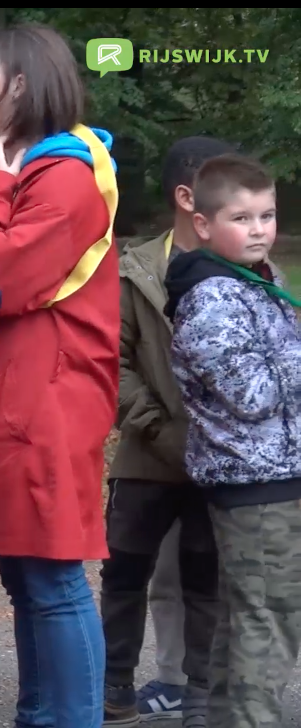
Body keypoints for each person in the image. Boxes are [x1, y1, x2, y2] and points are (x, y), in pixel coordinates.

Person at [0, 23, 121, 726]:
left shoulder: (66, 177)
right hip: (26, 400)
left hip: (45, 404)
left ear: (18, 84)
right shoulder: (41, 171)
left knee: (52, 578)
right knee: (29, 577)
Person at [165, 154, 301, 728]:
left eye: (266, 216)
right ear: (203, 224)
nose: (259, 230)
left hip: (276, 477)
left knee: (249, 619)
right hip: (254, 484)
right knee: (270, 621)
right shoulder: (212, 299)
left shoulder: (260, 285)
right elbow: (253, 394)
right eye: (241, 218)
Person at [101, 137, 232, 727]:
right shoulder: (135, 270)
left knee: (208, 579)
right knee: (124, 572)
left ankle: (200, 692)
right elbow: (113, 362)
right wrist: (156, 427)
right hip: (145, 457)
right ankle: (114, 685)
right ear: (186, 196)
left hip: (219, 462)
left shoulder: (251, 271)